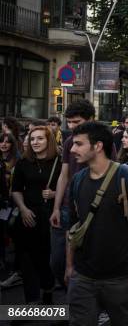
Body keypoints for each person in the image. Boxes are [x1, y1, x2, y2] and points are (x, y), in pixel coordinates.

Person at [66, 121, 128, 324]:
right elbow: (73, 227)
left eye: (78, 144)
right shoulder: (77, 180)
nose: (73, 149)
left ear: (98, 146)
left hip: (118, 276)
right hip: (82, 275)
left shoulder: (127, 178)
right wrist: (69, 266)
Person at [49, 99, 97, 287]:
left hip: (92, 207)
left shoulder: (102, 140)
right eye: (69, 122)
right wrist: (56, 208)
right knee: (57, 261)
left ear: (90, 119)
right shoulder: (69, 141)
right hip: (68, 207)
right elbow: (63, 175)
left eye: (76, 122)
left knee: (86, 260)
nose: (71, 126)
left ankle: (79, 305)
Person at [11, 126, 60, 304]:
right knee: (26, 259)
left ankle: (48, 290)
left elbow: (70, 186)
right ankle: (31, 302)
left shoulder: (59, 161)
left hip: (50, 216)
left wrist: (55, 194)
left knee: (46, 257)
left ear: (49, 141)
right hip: (28, 215)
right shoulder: (23, 162)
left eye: (40, 139)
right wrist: (23, 209)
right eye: (32, 139)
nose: (35, 142)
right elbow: (16, 190)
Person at [0, 132, 22, 288]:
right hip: (2, 200)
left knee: (8, 229)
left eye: (7, 142)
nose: (4, 144)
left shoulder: (17, 160)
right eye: (1, 141)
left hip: (12, 202)